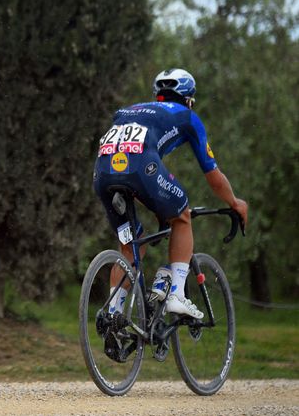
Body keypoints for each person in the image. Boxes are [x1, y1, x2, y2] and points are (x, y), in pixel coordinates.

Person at [93, 68, 248, 319]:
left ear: (158, 95)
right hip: (140, 168)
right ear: (188, 99)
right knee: (182, 216)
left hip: (102, 174)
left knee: (131, 246)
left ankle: (114, 314)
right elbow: (214, 177)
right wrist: (234, 202)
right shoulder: (187, 116)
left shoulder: (128, 111)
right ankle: (176, 294)